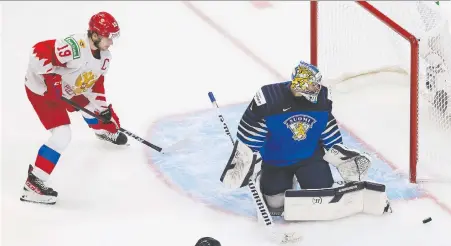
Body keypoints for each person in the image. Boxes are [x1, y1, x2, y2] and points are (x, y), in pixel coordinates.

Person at [221, 61, 391, 221]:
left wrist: (338, 152)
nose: (317, 88)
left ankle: (302, 176)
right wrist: (247, 156)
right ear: (300, 84)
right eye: (312, 84)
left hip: (310, 156)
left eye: (317, 83)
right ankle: (277, 179)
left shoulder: (322, 99)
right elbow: (251, 128)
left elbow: (327, 126)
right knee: (276, 205)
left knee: (321, 197)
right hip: (276, 159)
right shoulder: (269, 99)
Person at [21, 11, 127, 205]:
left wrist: (104, 113)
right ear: (95, 35)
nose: (111, 42)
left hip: (68, 87)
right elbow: (37, 51)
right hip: (42, 93)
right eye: (108, 37)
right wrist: (51, 78)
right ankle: (34, 184)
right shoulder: (74, 47)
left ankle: (102, 131)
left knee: (95, 110)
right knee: (62, 135)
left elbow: (95, 86)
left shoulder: (105, 58)